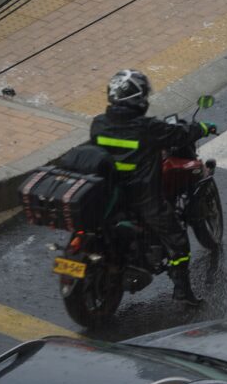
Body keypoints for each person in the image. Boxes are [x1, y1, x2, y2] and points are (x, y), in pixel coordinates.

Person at [90, 69, 211, 305]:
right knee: (177, 239)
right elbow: (179, 134)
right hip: (142, 196)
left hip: (110, 195)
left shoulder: (98, 124)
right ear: (137, 99)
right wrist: (204, 128)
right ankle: (182, 290)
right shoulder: (147, 128)